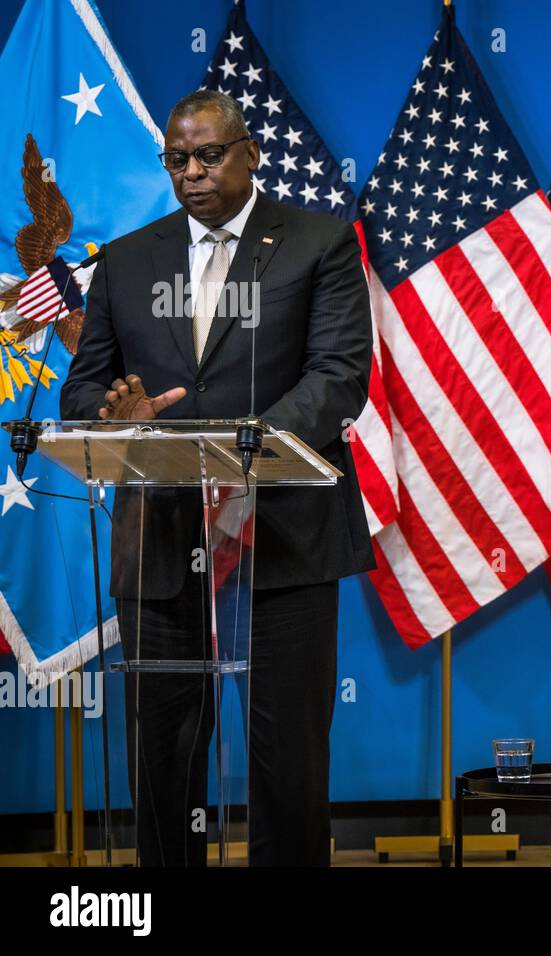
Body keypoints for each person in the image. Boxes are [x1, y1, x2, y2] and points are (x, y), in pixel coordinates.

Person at [61, 90, 374, 866]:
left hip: (283, 541)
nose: (192, 172)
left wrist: (245, 448)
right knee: (162, 757)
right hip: (161, 540)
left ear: (250, 153)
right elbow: (83, 389)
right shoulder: (128, 261)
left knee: (287, 760)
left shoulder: (318, 243)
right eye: (177, 159)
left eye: (208, 155)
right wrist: (113, 414)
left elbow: (337, 377)